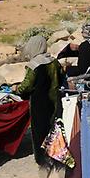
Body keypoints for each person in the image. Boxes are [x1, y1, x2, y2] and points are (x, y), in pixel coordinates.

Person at [15, 36, 64, 166]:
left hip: (39, 103)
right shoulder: (54, 62)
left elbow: (27, 86)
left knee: (39, 130)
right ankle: (56, 155)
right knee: (54, 127)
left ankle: (42, 159)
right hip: (55, 100)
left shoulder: (34, 65)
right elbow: (61, 78)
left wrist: (17, 90)